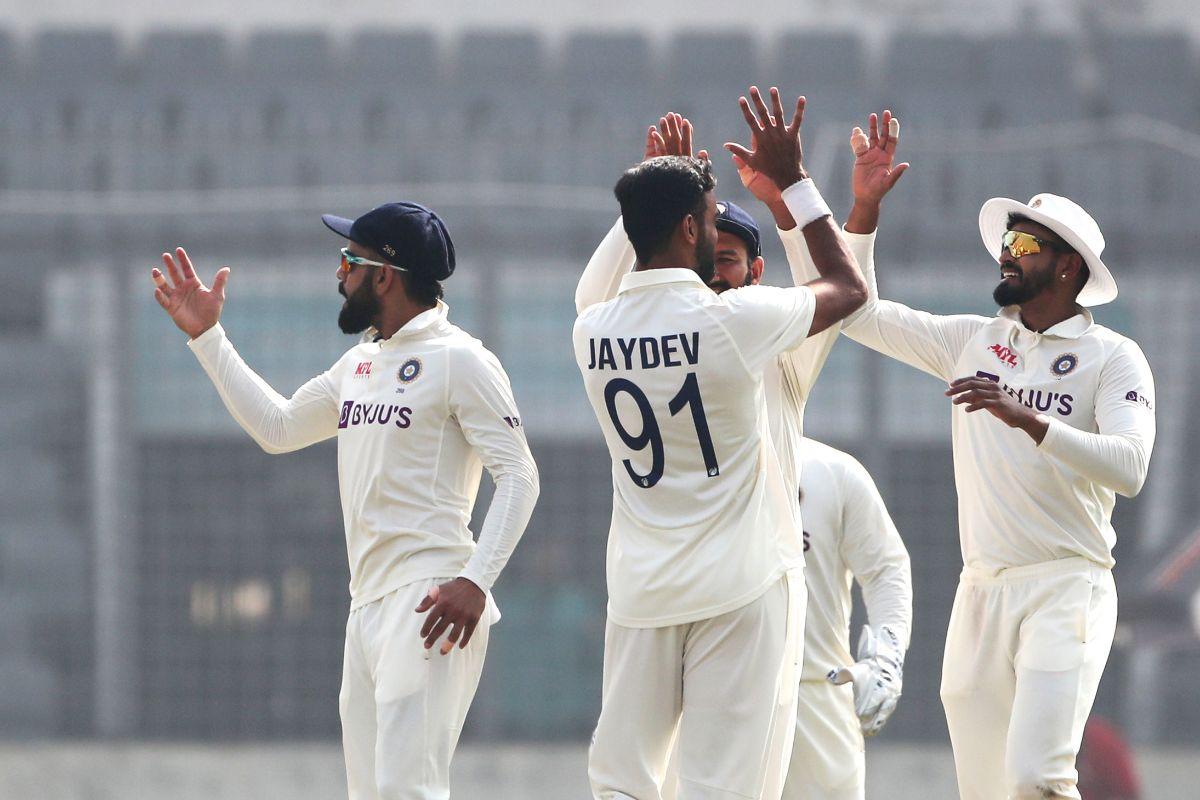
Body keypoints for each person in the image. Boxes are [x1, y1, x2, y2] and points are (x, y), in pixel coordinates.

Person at [796, 114, 1157, 799]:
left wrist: (1030, 418)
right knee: (987, 790)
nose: (1007, 255)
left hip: (1066, 586)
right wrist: (864, 212)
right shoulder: (972, 339)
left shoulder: (1115, 357)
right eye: (1006, 242)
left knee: (1038, 779)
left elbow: (1130, 468)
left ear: (1067, 264)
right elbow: (856, 314)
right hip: (981, 591)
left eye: (1024, 244)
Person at [150, 202, 540, 799]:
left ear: (383, 274)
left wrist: (475, 580)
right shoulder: (360, 362)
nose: (339, 274)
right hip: (366, 606)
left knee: (408, 790)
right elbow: (278, 428)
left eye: (348, 261)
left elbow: (519, 475)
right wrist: (208, 337)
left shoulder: (461, 359)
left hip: (431, 598)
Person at [581, 109, 913, 800]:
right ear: (688, 232)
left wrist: (656, 186)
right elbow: (844, 290)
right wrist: (796, 187)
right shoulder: (737, 323)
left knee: (624, 782)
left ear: (758, 270)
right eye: (707, 231)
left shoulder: (595, 326)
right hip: (744, 593)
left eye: (730, 257)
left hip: (644, 590)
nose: (715, 261)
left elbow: (604, 284)